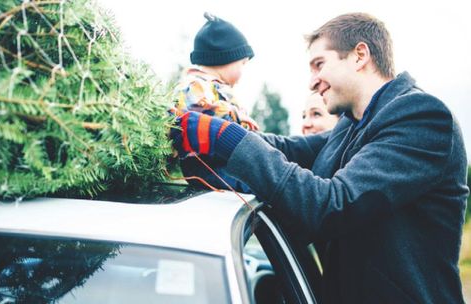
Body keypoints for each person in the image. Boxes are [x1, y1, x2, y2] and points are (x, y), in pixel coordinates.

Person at [171, 12, 469, 303]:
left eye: (318, 65)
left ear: (359, 55)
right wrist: (213, 133)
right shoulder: (353, 123)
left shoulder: (421, 117)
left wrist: (228, 140)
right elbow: (292, 150)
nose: (313, 81)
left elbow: (332, 206)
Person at [174, 12, 257, 193]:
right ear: (227, 59)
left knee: (260, 183)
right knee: (256, 189)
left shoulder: (215, 88)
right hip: (208, 167)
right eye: (243, 64)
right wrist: (236, 116)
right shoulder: (194, 85)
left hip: (223, 163)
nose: (243, 71)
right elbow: (199, 115)